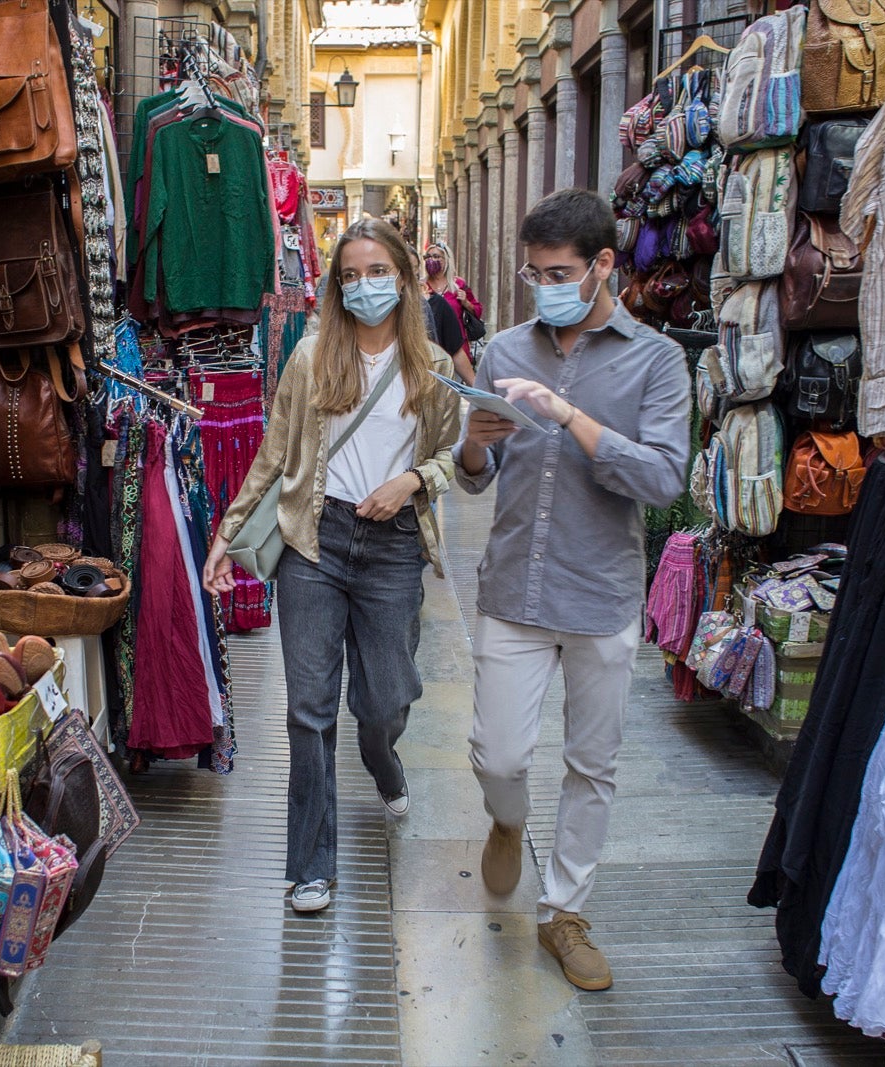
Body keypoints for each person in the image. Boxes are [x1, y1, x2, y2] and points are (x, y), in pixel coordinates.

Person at [455, 189, 690, 990]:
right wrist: (477, 447)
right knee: (498, 751)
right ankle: (506, 818)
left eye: (559, 271)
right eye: (533, 272)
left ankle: (565, 914)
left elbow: (663, 477)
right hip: (514, 584)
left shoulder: (658, 361)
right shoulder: (502, 352)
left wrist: (569, 416)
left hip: (601, 591)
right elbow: (476, 479)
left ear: (602, 267)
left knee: (592, 764)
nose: (545, 285)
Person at [205, 218, 462, 915]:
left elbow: (451, 459)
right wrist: (227, 533)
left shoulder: (432, 367)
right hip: (314, 543)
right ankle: (311, 865)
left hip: (394, 544)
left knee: (384, 700)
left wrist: (412, 482)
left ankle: (383, 758)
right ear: (334, 285)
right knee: (308, 710)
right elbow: (273, 453)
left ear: (405, 278)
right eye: (350, 275)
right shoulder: (311, 358)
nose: (363, 286)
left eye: (377, 271)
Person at [424, 242, 483, 383]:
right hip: (430, 348)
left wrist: (466, 303)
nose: (431, 260)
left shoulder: (458, 285)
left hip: (456, 347)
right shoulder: (421, 286)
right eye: (428, 256)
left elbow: (478, 310)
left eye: (436, 256)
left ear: (446, 260)